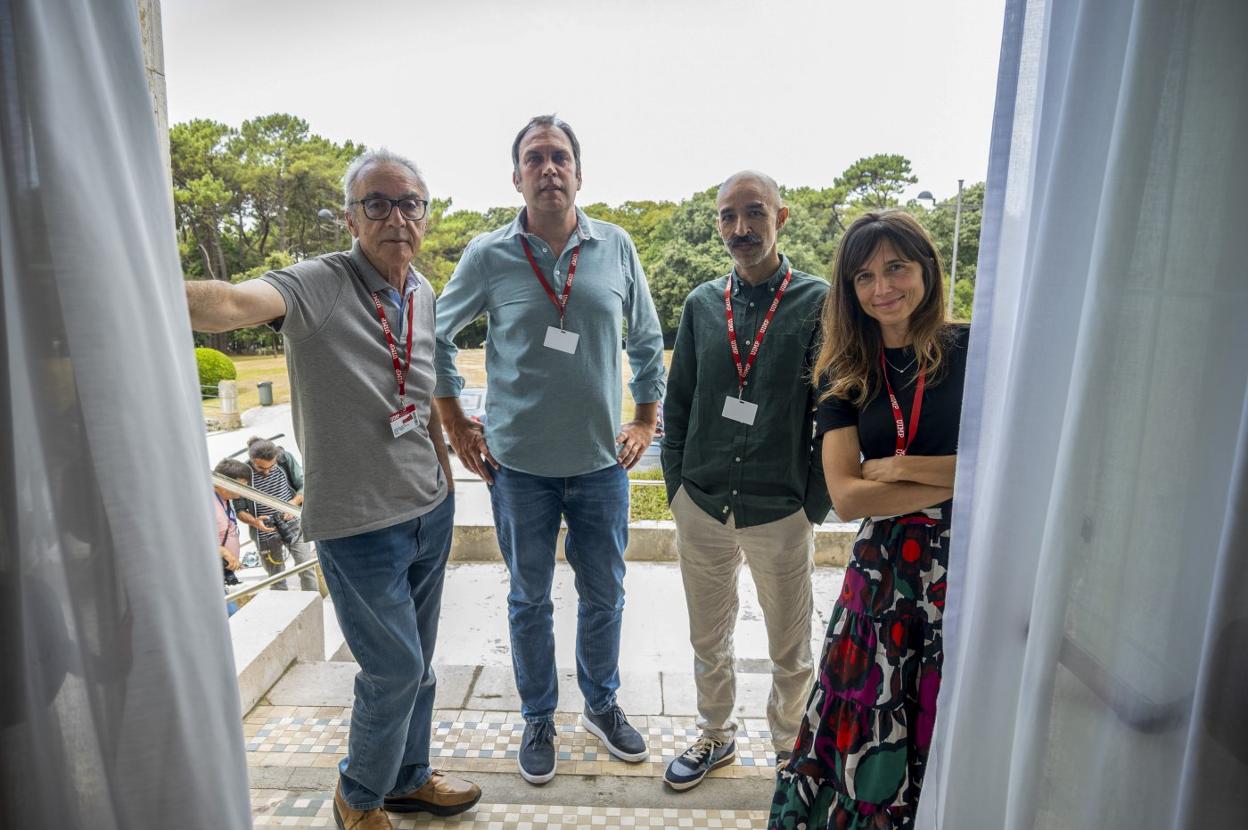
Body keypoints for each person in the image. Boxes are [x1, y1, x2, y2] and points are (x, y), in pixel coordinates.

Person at [185, 148, 480, 829]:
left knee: (419, 665)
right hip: (357, 525)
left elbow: (426, 386)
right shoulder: (319, 283)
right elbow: (232, 302)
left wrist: (444, 477)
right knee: (395, 669)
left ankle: (408, 777)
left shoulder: (422, 291)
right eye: (376, 203)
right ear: (352, 217)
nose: (395, 217)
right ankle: (358, 794)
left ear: (425, 217)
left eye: (408, 203)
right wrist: (136, 283)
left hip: (427, 511)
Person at [433, 114, 666, 785]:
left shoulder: (616, 246)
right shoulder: (488, 254)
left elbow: (648, 342)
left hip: (600, 466)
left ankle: (600, 703)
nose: (549, 169)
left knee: (605, 594)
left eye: (560, 157)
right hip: (519, 470)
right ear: (516, 177)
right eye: (535, 158)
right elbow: (438, 336)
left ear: (579, 173)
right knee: (528, 599)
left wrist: (646, 420)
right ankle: (538, 715)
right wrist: (457, 421)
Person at [769, 210, 970, 829]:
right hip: (882, 577)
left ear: (927, 269)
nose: (882, 287)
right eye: (864, 276)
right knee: (869, 720)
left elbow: (1010, 473)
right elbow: (847, 497)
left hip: (964, 567)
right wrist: (953, 476)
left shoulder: (972, 349)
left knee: (948, 717)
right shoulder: (844, 369)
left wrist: (897, 466)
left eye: (896, 267)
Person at [660, 171, 831, 791]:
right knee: (709, 636)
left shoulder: (818, 302)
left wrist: (813, 500)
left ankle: (791, 749)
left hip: (780, 507)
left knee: (791, 645)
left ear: (780, 217)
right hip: (702, 501)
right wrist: (677, 486)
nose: (741, 228)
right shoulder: (702, 304)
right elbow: (677, 402)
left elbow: (835, 406)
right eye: (729, 216)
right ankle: (716, 735)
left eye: (753, 213)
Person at [232, 437, 318, 592]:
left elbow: (304, 486)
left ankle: (314, 610)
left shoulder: (285, 459)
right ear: (251, 460)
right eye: (260, 468)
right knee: (277, 578)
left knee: (307, 569)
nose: (267, 471)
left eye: (271, 467)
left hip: (294, 526)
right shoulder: (242, 473)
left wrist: (292, 504)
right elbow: (239, 510)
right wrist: (254, 522)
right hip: (265, 535)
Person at [213, 458, 251, 615]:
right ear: (225, 483)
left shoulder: (226, 500)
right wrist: (225, 552)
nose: (243, 490)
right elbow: (197, 539)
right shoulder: (206, 501)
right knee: (232, 615)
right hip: (211, 571)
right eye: (240, 486)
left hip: (223, 571)